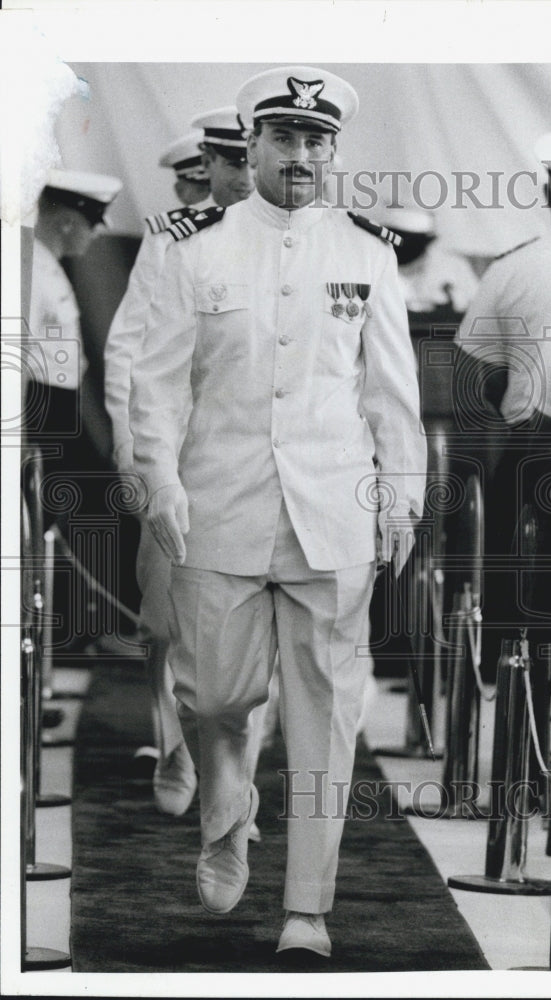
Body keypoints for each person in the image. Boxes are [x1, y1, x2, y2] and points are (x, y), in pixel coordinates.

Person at [129, 65, 426, 958]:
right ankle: (228, 805)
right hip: (218, 509)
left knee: (325, 719)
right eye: (285, 138)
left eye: (317, 141)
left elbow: (391, 397)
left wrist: (399, 499)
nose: (301, 155)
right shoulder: (196, 247)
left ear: (332, 150)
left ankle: (308, 908)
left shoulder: (366, 252)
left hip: (333, 519)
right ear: (249, 144)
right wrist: (162, 486)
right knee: (214, 695)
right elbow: (156, 385)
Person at [104, 113, 252, 817]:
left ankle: (224, 777)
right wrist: (131, 449)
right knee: (164, 619)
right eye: (225, 163)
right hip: (174, 453)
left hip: (251, 456)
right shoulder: (172, 239)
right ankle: (174, 742)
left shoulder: (303, 241)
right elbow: (127, 348)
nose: (236, 176)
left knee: (247, 623)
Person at [454, 126, 551, 682]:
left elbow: (472, 376)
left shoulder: (514, 267)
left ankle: (507, 672)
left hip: (537, 443)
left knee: (508, 531)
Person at [24, 170, 122, 654]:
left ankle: (79, 631)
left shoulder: (48, 265)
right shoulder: (26, 267)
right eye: (93, 220)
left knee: (83, 514)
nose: (97, 231)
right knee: (51, 526)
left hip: (59, 410)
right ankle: (67, 637)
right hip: (35, 414)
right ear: (66, 220)